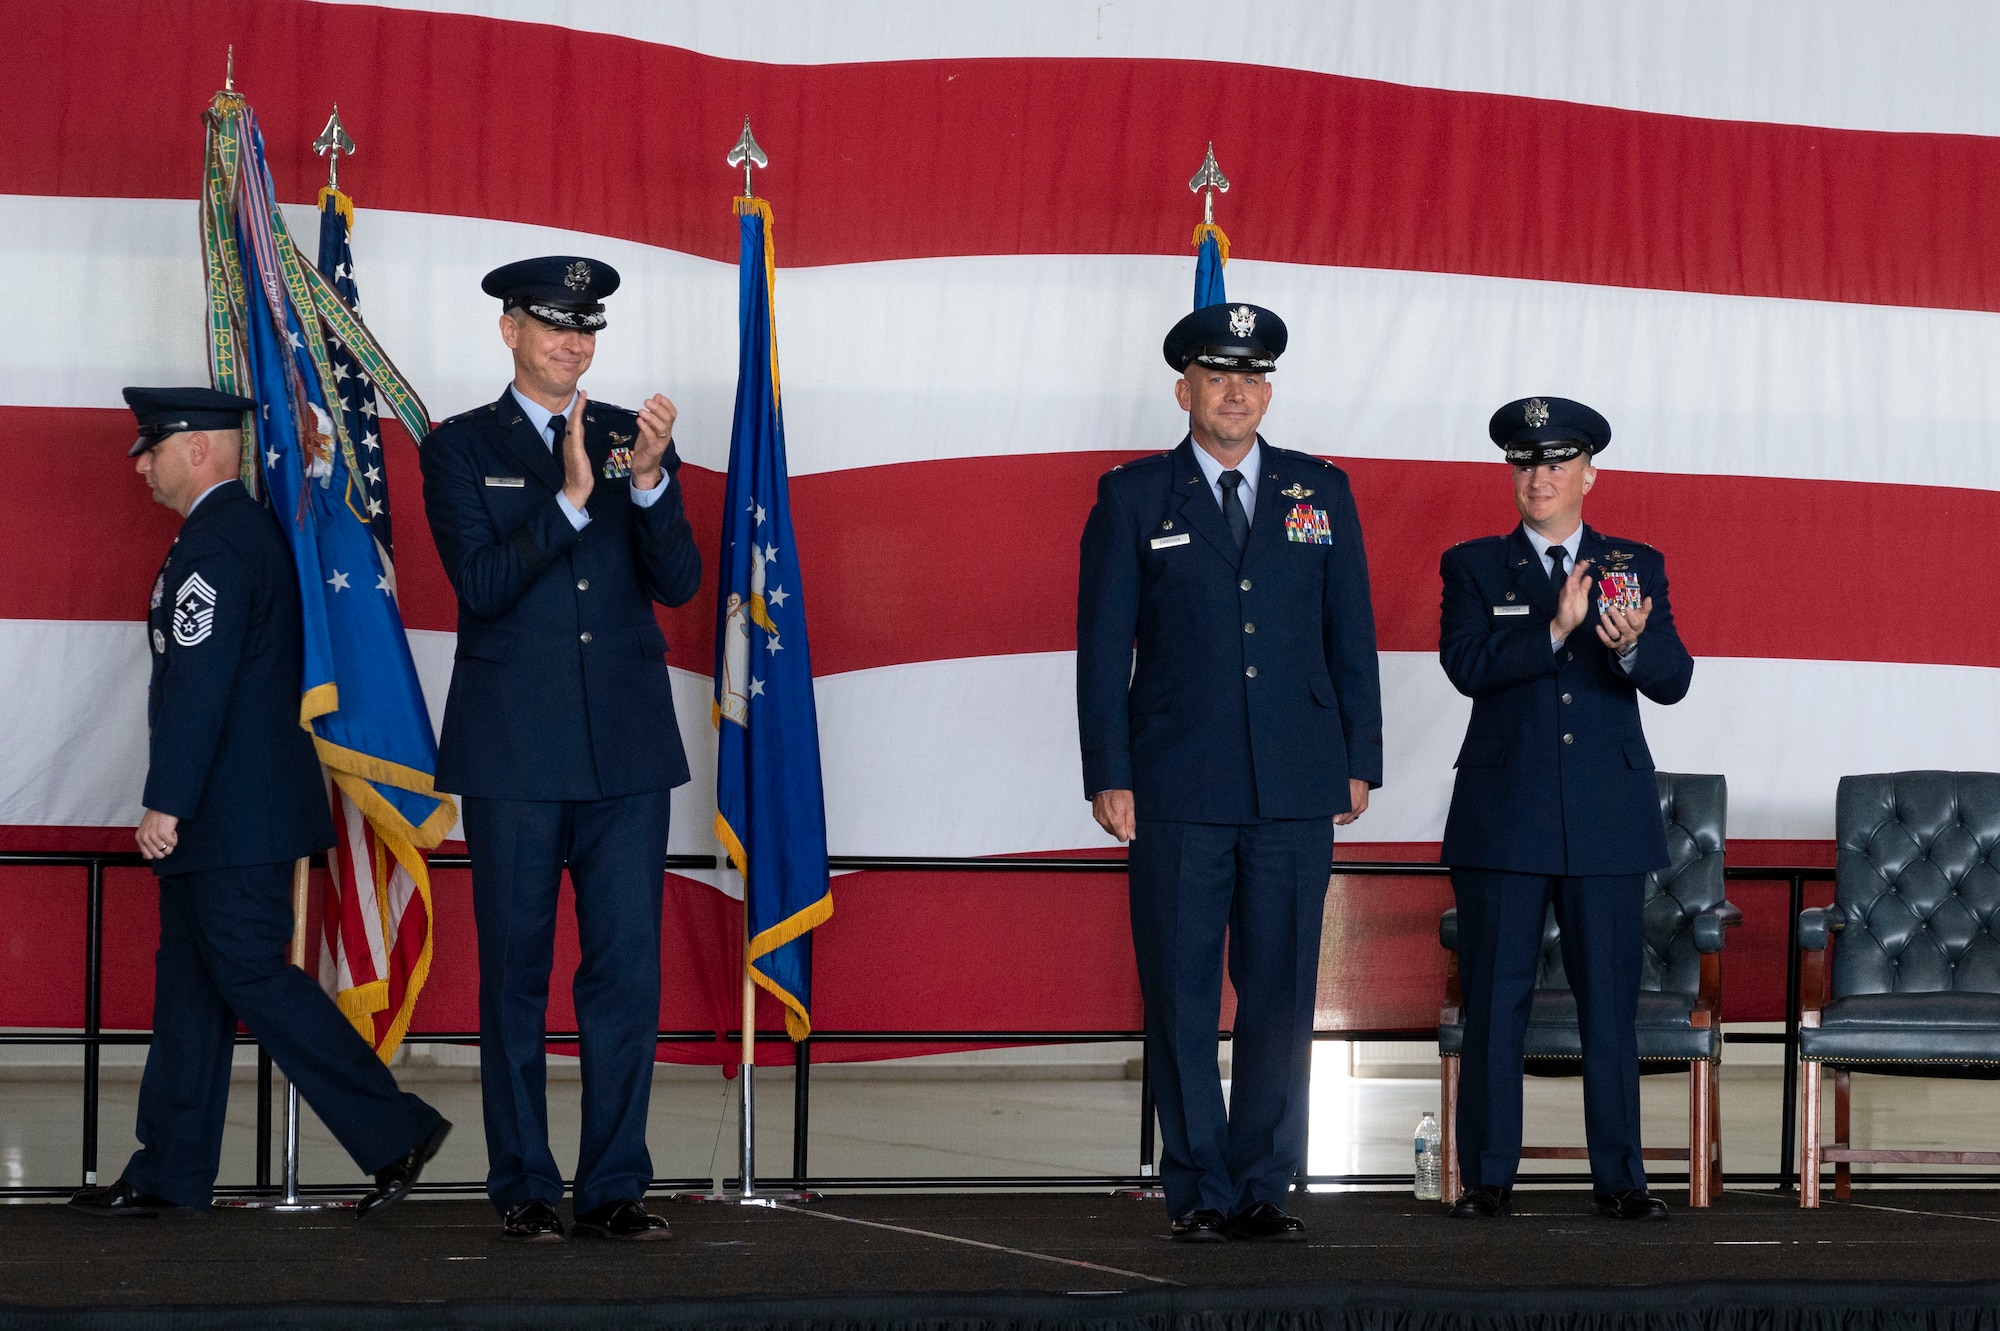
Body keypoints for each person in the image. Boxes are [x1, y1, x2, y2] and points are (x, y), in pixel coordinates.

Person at [70, 387, 450, 1222]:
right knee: (192, 988)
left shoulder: (219, 545)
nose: (140, 463)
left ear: (201, 448)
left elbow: (200, 686)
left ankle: (395, 1129)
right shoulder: (220, 537)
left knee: (245, 973)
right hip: (231, 809)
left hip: (233, 812)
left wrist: (166, 801)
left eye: (153, 446)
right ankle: (171, 1168)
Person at [1076, 303, 1383, 1242]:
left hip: (1295, 780)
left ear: (1270, 389)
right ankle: (1199, 1185)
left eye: (1252, 376)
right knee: (1179, 991)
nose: (1237, 391)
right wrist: (1108, 772)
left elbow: (1351, 636)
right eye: (1218, 376)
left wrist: (1359, 758)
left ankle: (1260, 1181)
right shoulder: (1133, 497)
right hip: (1176, 783)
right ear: (1185, 390)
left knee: (1283, 988)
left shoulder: (1320, 492)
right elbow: (1100, 649)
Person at [420, 256, 702, 1242]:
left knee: (625, 972)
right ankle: (525, 1183)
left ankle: (614, 1182)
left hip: (625, 750)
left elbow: (677, 582)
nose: (573, 344)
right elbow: (483, 580)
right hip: (512, 754)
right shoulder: (459, 448)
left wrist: (653, 480)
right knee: (516, 972)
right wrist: (573, 500)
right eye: (553, 327)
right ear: (509, 331)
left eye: (587, 329)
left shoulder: (631, 434)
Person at [1438, 396, 1693, 1222]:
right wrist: (1551, 630)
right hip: (1504, 814)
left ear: (1589, 473)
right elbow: (1466, 664)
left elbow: (1675, 676)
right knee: (1496, 1001)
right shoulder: (1475, 564)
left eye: (1555, 463)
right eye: (1524, 463)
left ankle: (1621, 1178)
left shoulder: (1635, 563)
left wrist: (1628, 645)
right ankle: (1487, 1178)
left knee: (1609, 1005)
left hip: (1606, 816)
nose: (1538, 477)